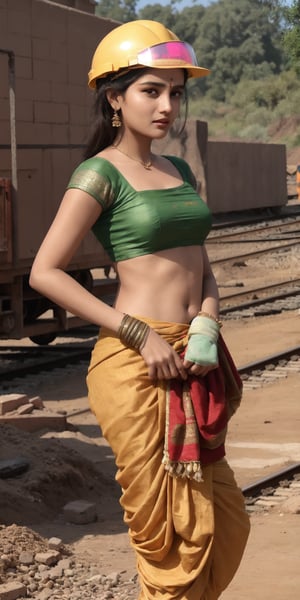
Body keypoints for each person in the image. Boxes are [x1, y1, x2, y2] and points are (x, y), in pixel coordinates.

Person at [30, 20, 250, 600]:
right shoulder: (98, 173)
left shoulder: (176, 171)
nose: (167, 105)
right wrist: (138, 333)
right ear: (115, 98)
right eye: (152, 90)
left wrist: (206, 319)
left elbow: (199, 263)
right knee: (169, 537)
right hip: (137, 363)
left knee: (223, 521)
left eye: (176, 92)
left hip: (191, 354)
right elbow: (44, 272)